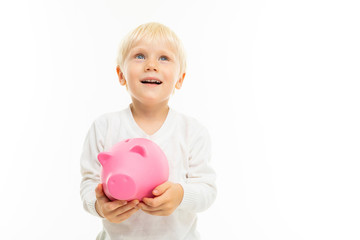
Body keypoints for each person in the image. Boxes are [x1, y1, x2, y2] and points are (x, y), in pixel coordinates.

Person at [80, 22, 217, 240]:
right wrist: (98, 206)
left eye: (164, 58)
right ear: (121, 74)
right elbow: (88, 184)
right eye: (140, 56)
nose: (151, 65)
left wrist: (181, 196)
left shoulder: (192, 132)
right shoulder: (104, 127)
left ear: (180, 79)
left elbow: (207, 190)